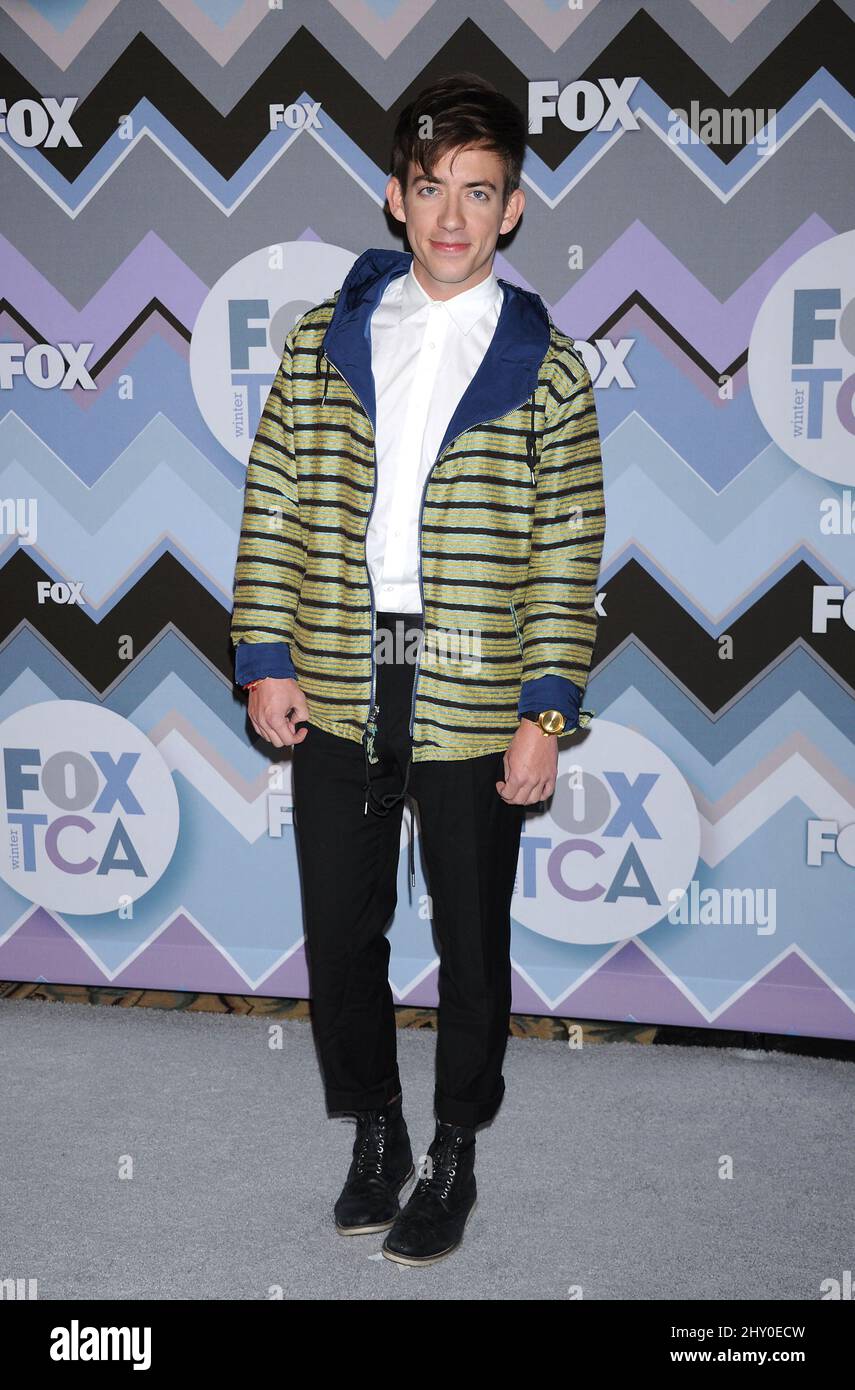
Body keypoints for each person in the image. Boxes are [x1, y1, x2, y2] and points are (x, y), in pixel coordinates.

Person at [230, 71, 606, 1266]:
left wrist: (547, 705)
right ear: (396, 196)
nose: (452, 214)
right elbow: (274, 499)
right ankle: (379, 1131)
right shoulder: (326, 334)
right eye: (431, 186)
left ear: (513, 210)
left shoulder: (548, 366)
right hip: (344, 664)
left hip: (477, 682)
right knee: (342, 927)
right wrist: (265, 652)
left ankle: (454, 1150)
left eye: (479, 191)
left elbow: (566, 547)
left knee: (473, 932)